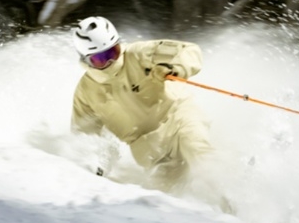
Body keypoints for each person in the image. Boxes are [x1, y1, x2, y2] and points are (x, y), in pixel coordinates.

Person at [70, 16, 213, 191]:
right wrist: (93, 164)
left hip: (177, 116)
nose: (110, 62)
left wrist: (174, 68)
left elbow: (188, 51)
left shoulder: (138, 54)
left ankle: (232, 194)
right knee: (170, 195)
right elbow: (83, 135)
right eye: (100, 59)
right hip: (151, 150)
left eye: (112, 52)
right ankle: (205, 212)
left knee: (199, 153)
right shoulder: (86, 91)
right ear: (86, 60)